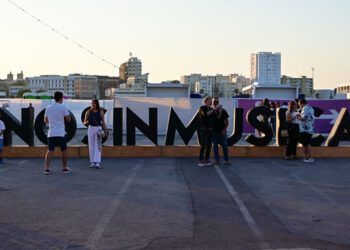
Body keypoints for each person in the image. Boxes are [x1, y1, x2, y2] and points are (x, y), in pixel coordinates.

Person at [44, 91, 71, 174]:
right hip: (60, 133)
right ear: (61, 98)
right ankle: (64, 168)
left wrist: (53, 121)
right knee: (64, 150)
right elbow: (69, 119)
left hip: (51, 132)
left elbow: (45, 120)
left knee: (50, 150)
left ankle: (47, 169)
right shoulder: (63, 107)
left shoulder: (48, 107)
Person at [84, 99, 109, 168]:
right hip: (91, 128)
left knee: (98, 145)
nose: (92, 105)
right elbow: (85, 121)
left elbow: (103, 122)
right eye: (92, 103)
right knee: (91, 145)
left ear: (97, 104)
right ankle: (92, 162)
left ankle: (97, 162)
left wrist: (106, 130)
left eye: (94, 103)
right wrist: (86, 122)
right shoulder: (88, 112)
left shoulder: (101, 111)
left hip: (98, 128)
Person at [212, 97, 230, 166]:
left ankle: (226, 160)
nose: (215, 102)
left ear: (219, 102)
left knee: (225, 146)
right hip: (214, 132)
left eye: (216, 101)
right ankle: (217, 161)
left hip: (222, 132)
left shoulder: (224, 111)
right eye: (214, 101)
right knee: (215, 147)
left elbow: (227, 122)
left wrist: (224, 130)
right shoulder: (211, 111)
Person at [198, 96, 215, 166]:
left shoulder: (211, 108)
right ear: (206, 101)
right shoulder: (202, 108)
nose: (211, 101)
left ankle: (207, 159)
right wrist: (214, 110)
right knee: (203, 145)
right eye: (210, 100)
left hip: (211, 130)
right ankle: (201, 159)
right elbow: (206, 114)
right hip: (204, 129)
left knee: (209, 145)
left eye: (211, 100)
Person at [297, 99, 315, 163]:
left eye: (299, 105)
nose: (300, 106)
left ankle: (310, 157)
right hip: (310, 129)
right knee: (305, 143)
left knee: (307, 144)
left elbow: (304, 119)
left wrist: (298, 117)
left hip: (305, 129)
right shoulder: (311, 108)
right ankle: (306, 157)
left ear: (301, 103)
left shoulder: (305, 109)